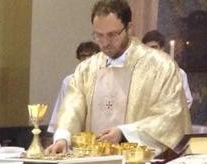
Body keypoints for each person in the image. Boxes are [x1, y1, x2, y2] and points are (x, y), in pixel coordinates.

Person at [45, 0, 191, 155]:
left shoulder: (160, 66)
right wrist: (63, 138)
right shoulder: (86, 69)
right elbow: (72, 107)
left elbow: (171, 117)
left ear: (129, 28)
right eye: (99, 35)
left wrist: (124, 133)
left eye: (112, 35)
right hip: (94, 162)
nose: (105, 43)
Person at [47, 41, 100, 132]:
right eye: (83, 56)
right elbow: (62, 106)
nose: (87, 59)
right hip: (75, 129)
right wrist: (57, 132)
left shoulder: (104, 80)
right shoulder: (70, 80)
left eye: (90, 55)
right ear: (78, 58)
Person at [141, 30, 193, 108]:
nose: (151, 52)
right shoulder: (139, 73)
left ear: (162, 49)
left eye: (154, 47)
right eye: (147, 49)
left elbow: (187, 101)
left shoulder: (178, 73)